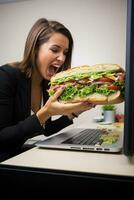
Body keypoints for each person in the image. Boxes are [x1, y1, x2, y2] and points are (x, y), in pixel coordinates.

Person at [0, 18, 95, 159]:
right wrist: (46, 112)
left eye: (65, 52)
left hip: (25, 158)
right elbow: (2, 137)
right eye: (55, 50)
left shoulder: (47, 83)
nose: (62, 58)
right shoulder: (6, 76)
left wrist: (73, 113)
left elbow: (44, 130)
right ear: (35, 48)